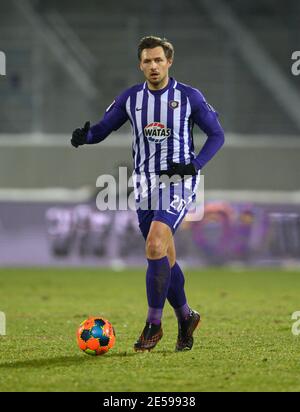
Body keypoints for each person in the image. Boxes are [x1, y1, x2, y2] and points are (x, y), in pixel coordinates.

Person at [71, 36, 225, 352]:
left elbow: (217, 135)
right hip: (144, 186)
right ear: (140, 64)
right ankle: (186, 316)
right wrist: (84, 136)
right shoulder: (131, 99)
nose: (153, 66)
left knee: (154, 245)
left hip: (178, 182)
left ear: (169, 62)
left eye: (158, 60)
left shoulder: (189, 97)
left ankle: (153, 325)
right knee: (163, 256)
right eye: (147, 61)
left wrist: (194, 165)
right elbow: (102, 128)